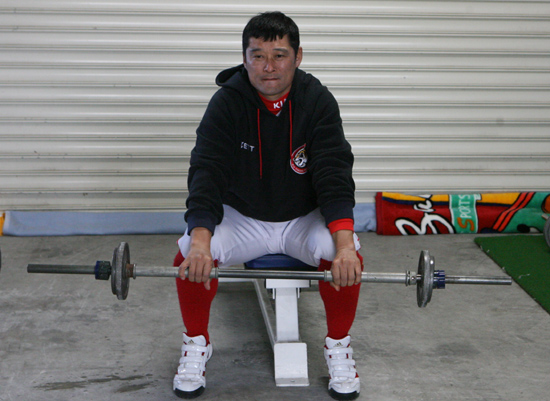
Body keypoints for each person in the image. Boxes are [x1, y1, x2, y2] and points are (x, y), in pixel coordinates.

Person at [172, 11, 363, 400]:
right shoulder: (227, 103)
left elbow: (334, 173)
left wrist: (345, 247)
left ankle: (339, 345)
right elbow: (206, 172)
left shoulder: (317, 101)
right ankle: (196, 342)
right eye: (258, 56)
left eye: (279, 55)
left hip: (301, 219)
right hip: (244, 219)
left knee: (344, 254)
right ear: (245, 58)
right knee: (188, 255)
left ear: (298, 56)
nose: (268, 67)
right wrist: (201, 243)